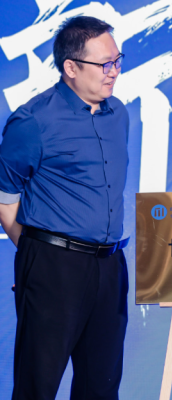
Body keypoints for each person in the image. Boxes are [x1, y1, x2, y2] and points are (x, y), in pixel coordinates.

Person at [0, 16, 130, 399]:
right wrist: (37, 255)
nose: (114, 71)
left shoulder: (118, 114)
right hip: (53, 265)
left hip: (110, 265)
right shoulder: (34, 121)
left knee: (101, 386)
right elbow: (5, 199)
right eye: (104, 64)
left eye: (117, 60)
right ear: (71, 67)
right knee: (38, 385)